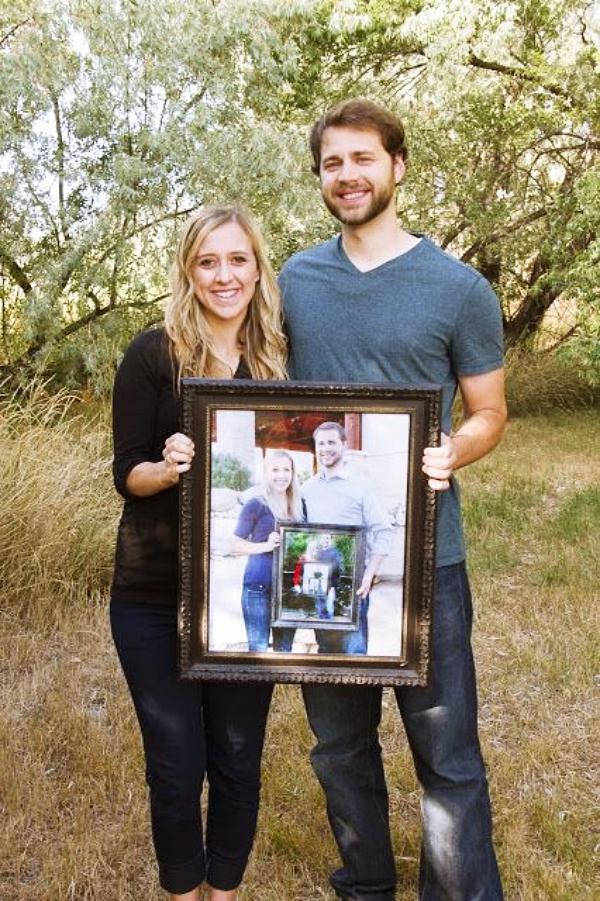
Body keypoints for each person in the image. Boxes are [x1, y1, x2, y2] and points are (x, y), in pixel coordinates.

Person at [280, 98, 507, 900]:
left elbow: (488, 412)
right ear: (320, 177)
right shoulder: (294, 280)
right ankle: (365, 886)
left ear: (397, 166)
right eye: (333, 163)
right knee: (339, 746)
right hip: (321, 558)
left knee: (447, 754)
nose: (348, 175)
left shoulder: (457, 288)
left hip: (427, 557)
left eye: (363, 159)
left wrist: (454, 449)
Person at [110, 202, 287, 901]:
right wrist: (169, 464)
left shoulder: (277, 360)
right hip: (153, 596)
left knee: (239, 760)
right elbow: (126, 471)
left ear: (256, 268)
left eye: (237, 259)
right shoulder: (152, 353)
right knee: (177, 763)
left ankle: (225, 893)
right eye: (208, 260)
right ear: (189, 269)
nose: (224, 275)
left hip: (245, 595)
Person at [302, 421, 393, 649]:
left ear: (344, 444)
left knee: (354, 651)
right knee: (326, 649)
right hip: (319, 580)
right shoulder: (307, 489)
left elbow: (383, 531)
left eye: (331, 442)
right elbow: (302, 536)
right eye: (320, 443)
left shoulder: (363, 486)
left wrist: (369, 575)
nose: (325, 448)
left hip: (353, 582)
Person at [231, 449, 304, 651]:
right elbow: (235, 545)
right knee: (259, 650)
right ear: (265, 473)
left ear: (293, 473)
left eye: (286, 470)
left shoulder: (299, 506)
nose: (281, 475)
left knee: (285, 650)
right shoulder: (256, 505)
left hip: (289, 590)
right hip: (258, 587)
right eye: (275, 469)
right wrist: (265, 545)